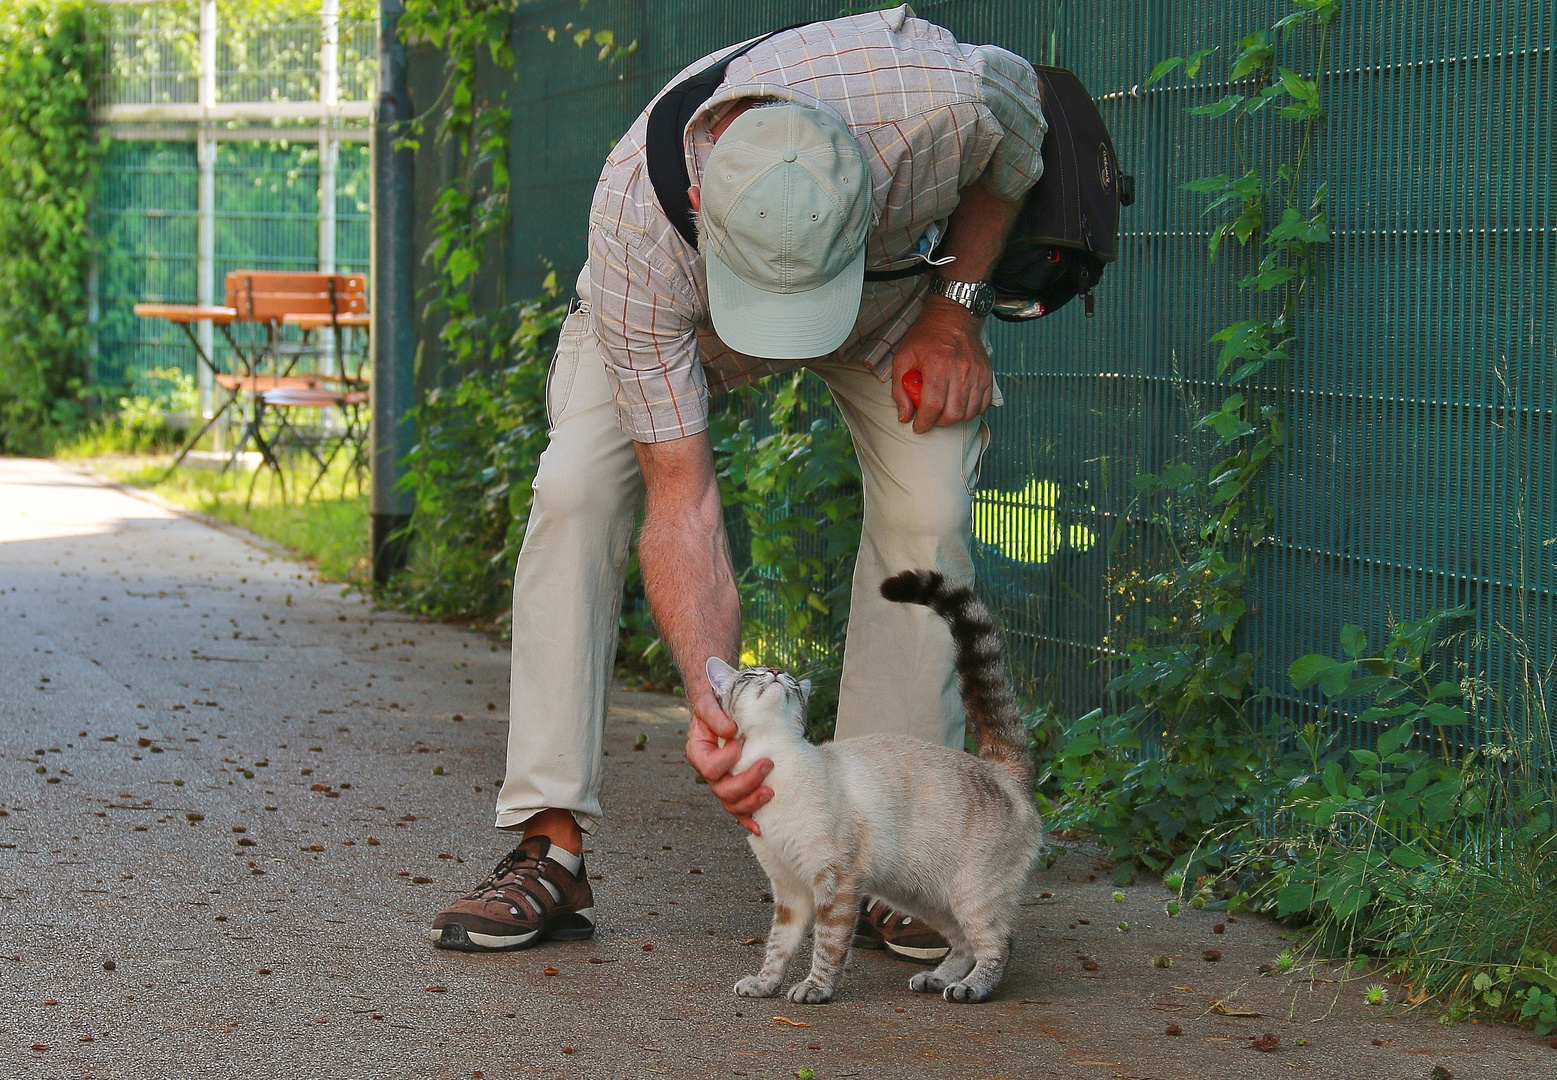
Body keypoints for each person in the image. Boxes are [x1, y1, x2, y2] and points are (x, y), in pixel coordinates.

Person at [428, 4, 1047, 963]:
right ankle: (548, 846)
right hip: (683, 308)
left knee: (927, 512)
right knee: (576, 495)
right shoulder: (637, 217)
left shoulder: (940, 99)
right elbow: (686, 499)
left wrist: (955, 308)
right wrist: (714, 702)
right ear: (697, 192)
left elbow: (1025, 142)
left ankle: (882, 857)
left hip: (879, 302)